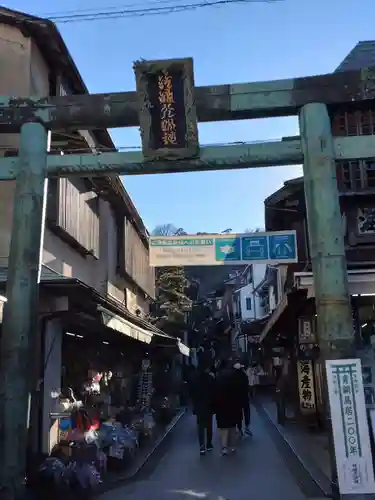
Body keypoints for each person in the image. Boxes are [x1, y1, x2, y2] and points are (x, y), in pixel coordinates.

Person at [213, 360, 243, 455]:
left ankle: (224, 447)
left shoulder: (218, 377)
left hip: (221, 405)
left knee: (223, 428)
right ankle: (233, 446)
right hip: (233, 404)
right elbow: (238, 390)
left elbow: (215, 392)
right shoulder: (234, 376)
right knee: (232, 427)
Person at [189, 366, 216, 455]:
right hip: (209, 405)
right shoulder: (210, 379)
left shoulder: (195, 380)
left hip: (199, 406)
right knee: (209, 425)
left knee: (200, 426)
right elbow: (214, 392)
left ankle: (201, 446)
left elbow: (192, 393)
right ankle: (209, 444)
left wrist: (194, 404)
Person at [234, 363, 252, 437]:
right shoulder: (244, 376)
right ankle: (247, 426)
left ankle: (239, 428)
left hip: (237, 398)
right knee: (246, 411)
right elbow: (247, 386)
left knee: (238, 413)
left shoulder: (233, 377)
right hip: (245, 397)